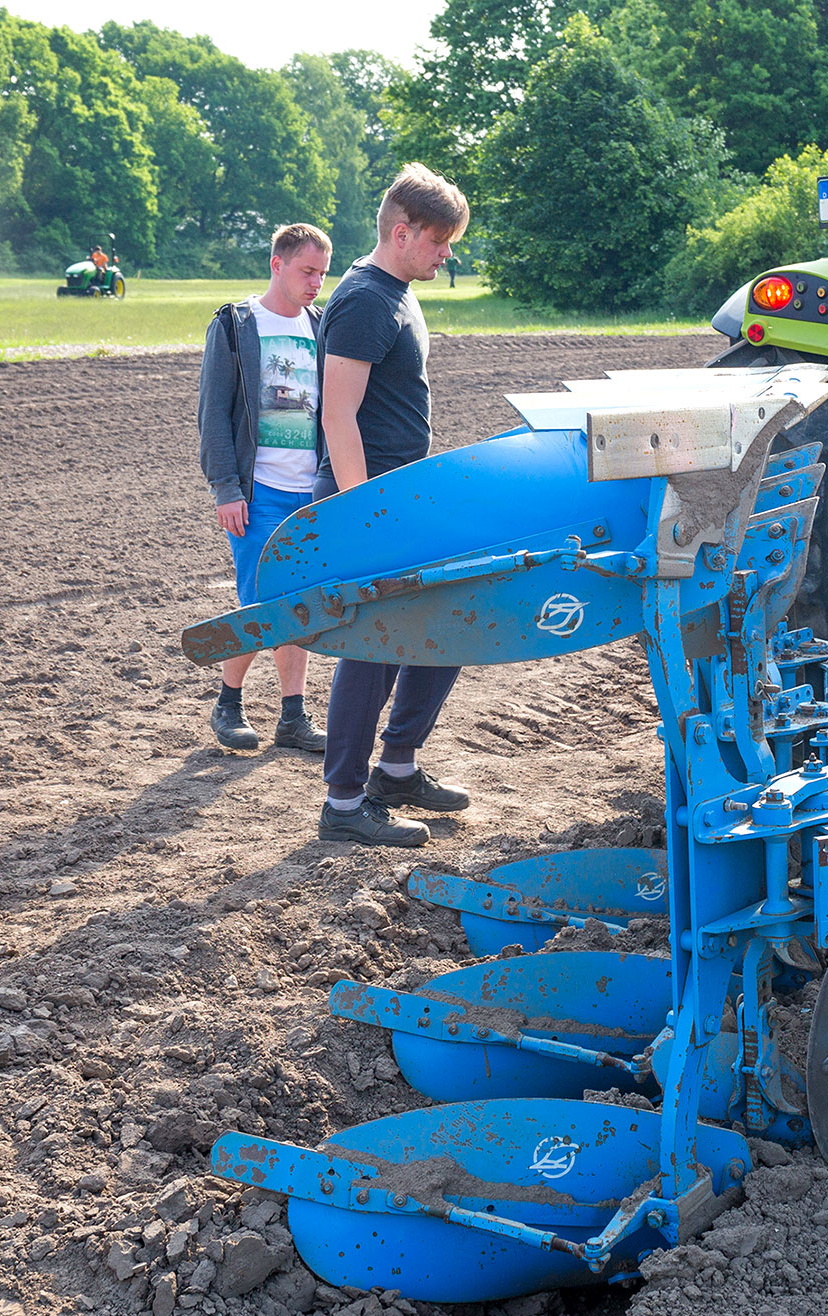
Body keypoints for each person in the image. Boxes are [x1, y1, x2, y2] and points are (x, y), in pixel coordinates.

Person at [314, 163, 474, 848]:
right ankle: (344, 803)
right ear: (402, 231)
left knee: (453, 620)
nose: (447, 254)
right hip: (369, 500)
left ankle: (398, 767)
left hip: (403, 497)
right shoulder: (364, 300)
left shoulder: (399, 292)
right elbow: (338, 416)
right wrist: (362, 515)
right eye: (440, 242)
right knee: (373, 645)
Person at [198, 223, 334, 754]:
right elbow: (213, 412)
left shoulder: (321, 325)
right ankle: (228, 703)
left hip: (312, 491)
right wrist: (226, 487)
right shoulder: (236, 324)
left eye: (322, 273)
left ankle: (293, 717)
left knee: (298, 603)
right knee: (263, 604)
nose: (315, 283)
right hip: (259, 493)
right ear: (276, 264)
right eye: (307, 271)